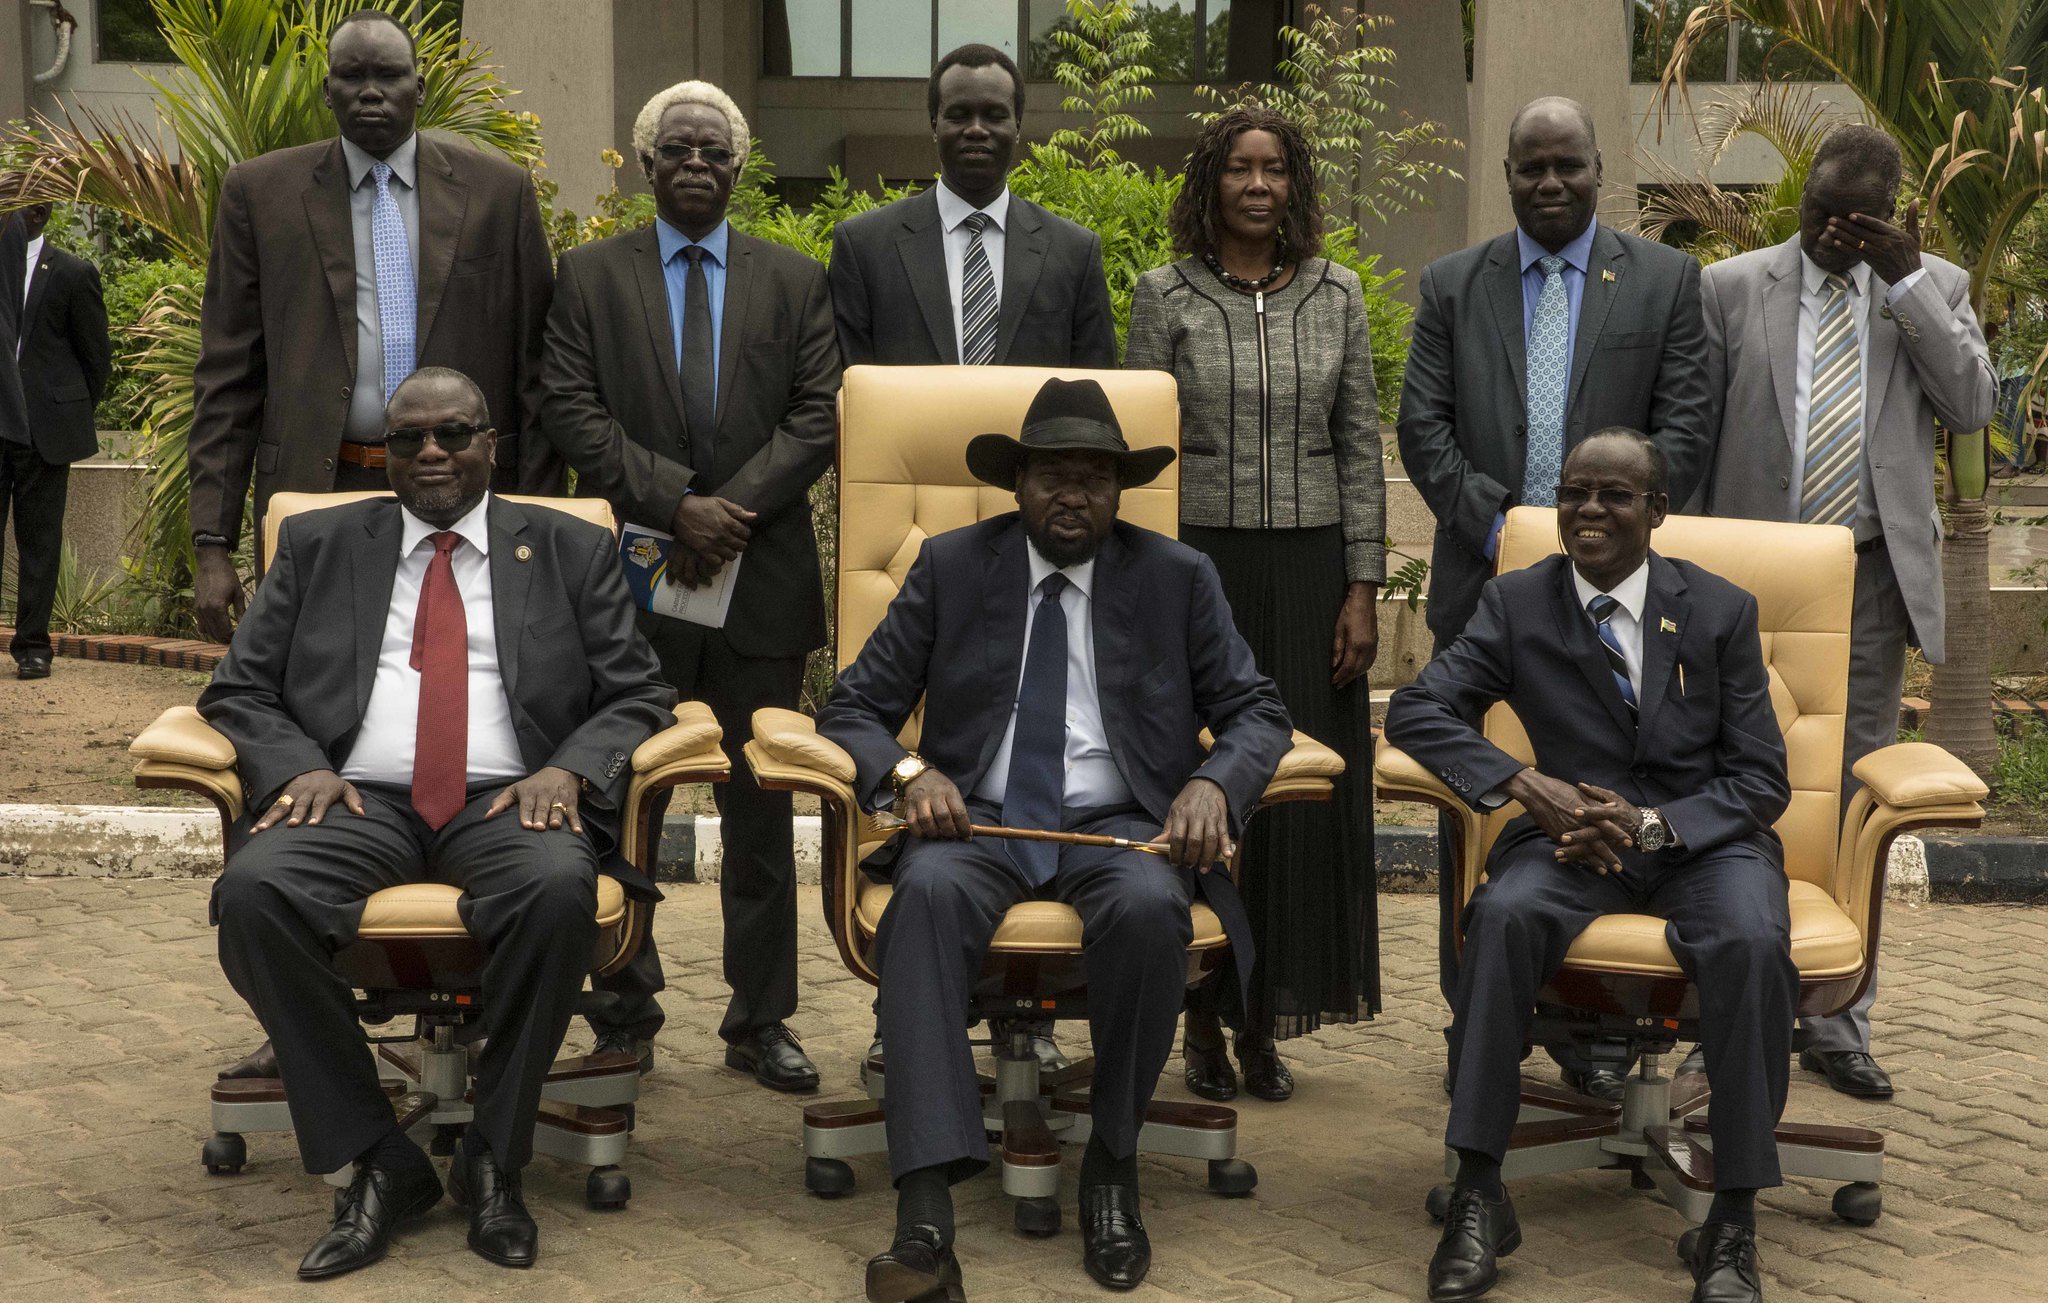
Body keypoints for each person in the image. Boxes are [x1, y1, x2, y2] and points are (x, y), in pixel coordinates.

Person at [817, 377, 1291, 1300]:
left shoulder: (1175, 576)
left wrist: (1210, 783)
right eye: (1052, 478)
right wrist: (913, 776)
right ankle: (923, 1220)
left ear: (1120, 491)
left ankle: (1112, 1171)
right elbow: (856, 704)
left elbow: (1255, 710)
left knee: (1155, 911)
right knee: (924, 895)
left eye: (1094, 480)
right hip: (980, 819)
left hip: (1121, 829)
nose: (1073, 496)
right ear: (1017, 484)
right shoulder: (954, 565)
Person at [201, 367, 676, 1279]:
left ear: (490, 444)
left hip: (507, 794)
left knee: (556, 887)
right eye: (408, 438)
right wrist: (299, 766)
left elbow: (640, 692)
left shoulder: (570, 547)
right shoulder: (319, 541)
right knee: (256, 892)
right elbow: (237, 687)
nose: (431, 452)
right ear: (384, 455)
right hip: (357, 796)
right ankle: (381, 1157)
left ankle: (497, 1158)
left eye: (453, 434)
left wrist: (568, 770)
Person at [1385, 429, 1792, 1303]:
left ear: (1657, 510)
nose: (1591, 511)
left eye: (1614, 495)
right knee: (1500, 915)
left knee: (1753, 938)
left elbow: (1762, 778)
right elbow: (1417, 712)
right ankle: (1478, 1188)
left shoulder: (1720, 609)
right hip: (1568, 840)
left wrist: (1651, 825)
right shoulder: (1517, 604)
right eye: (1576, 493)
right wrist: (1528, 786)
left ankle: (1732, 1219)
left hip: (1699, 843)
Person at [1396, 95, 1715, 1101]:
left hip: (1625, 593)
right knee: (1481, 812)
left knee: (1612, 786)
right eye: (1528, 167)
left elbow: (1685, 430)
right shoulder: (1453, 284)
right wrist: (1505, 531)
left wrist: (1598, 539)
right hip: (1487, 587)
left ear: (1595, 173)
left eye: (1565, 166)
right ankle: (1478, 1027)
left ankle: (1597, 1025)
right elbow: (1422, 426)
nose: (1547, 182)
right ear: (1506, 175)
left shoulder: (1664, 281)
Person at [540, 80, 840, 1091]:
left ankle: (760, 1020)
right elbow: (569, 407)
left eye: (715, 149)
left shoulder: (795, 280)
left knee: (762, 810)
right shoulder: (586, 276)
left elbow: (816, 415)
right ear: (647, 163)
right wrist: (676, 505)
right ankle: (624, 1004)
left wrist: (728, 512)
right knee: (623, 799)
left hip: (760, 580)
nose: (698, 164)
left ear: (740, 164)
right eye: (678, 149)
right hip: (629, 580)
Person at [1699, 123, 1997, 1101]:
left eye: (1851, 219)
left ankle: (1836, 1018)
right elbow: (1696, 438)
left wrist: (1905, 283)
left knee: (1845, 797)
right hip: (1744, 579)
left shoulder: (1931, 290)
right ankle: (1722, 1006)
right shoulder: (1732, 286)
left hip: (1863, 584)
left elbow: (1967, 407)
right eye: (1815, 211)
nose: (1828, 231)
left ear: (1884, 217)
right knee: (1729, 782)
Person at [1125, 105, 1383, 1103]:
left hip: (1314, 573)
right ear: (1210, 184)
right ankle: (1197, 1014)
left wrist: (1362, 586)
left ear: (1296, 185)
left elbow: (1358, 446)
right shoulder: (1165, 295)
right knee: (1200, 787)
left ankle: (1267, 1018)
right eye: (1238, 168)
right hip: (1199, 571)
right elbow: (1142, 454)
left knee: (1294, 802)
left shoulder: (1340, 295)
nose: (1257, 185)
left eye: (1275, 169)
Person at [189, 7, 556, 646]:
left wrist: (540, 515)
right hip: (319, 489)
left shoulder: (499, 193)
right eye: (350, 76)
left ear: (419, 87)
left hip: (464, 491)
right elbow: (229, 377)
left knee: (460, 673)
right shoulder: (260, 192)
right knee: (321, 673)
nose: (369, 92)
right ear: (327, 89)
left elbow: (536, 372)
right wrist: (212, 543)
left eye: (388, 75)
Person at [828, 42, 1116, 369]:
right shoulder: (863, 247)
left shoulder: (1074, 252)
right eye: (958, 115)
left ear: (1018, 125)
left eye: (994, 115)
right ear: (934, 124)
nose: (977, 128)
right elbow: (850, 393)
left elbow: (1097, 390)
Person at [4, 202, 110, 678]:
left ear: (43, 214)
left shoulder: (72, 272)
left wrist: (64, 409)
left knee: (40, 542)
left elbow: (96, 358)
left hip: (45, 430)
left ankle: (32, 646)